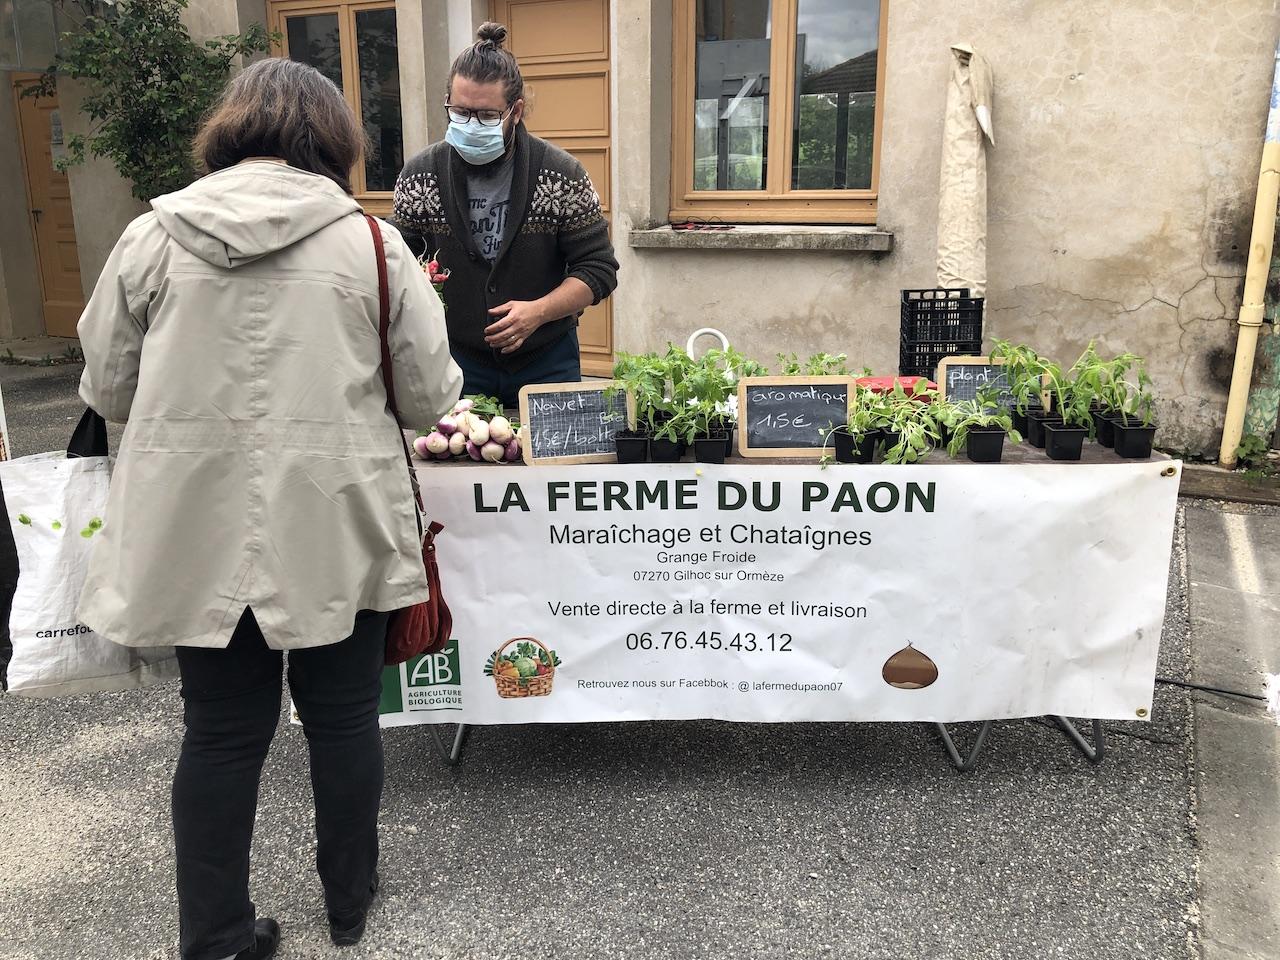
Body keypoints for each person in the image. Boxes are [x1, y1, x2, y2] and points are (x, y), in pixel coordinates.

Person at [74, 58, 462, 960]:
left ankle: (212, 936)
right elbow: (427, 398)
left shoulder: (151, 237)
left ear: (228, 130)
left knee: (219, 733)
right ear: (332, 139)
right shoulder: (371, 243)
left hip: (195, 526)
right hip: (334, 518)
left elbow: (107, 386)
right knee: (342, 720)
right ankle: (350, 901)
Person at [392, 21, 619, 408]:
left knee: (551, 468)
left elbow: (599, 269)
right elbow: (396, 263)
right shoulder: (420, 176)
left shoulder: (561, 174)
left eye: (485, 115)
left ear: (515, 111)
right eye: (459, 112)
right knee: (461, 464)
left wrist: (539, 311)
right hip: (455, 359)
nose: (469, 124)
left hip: (546, 359)